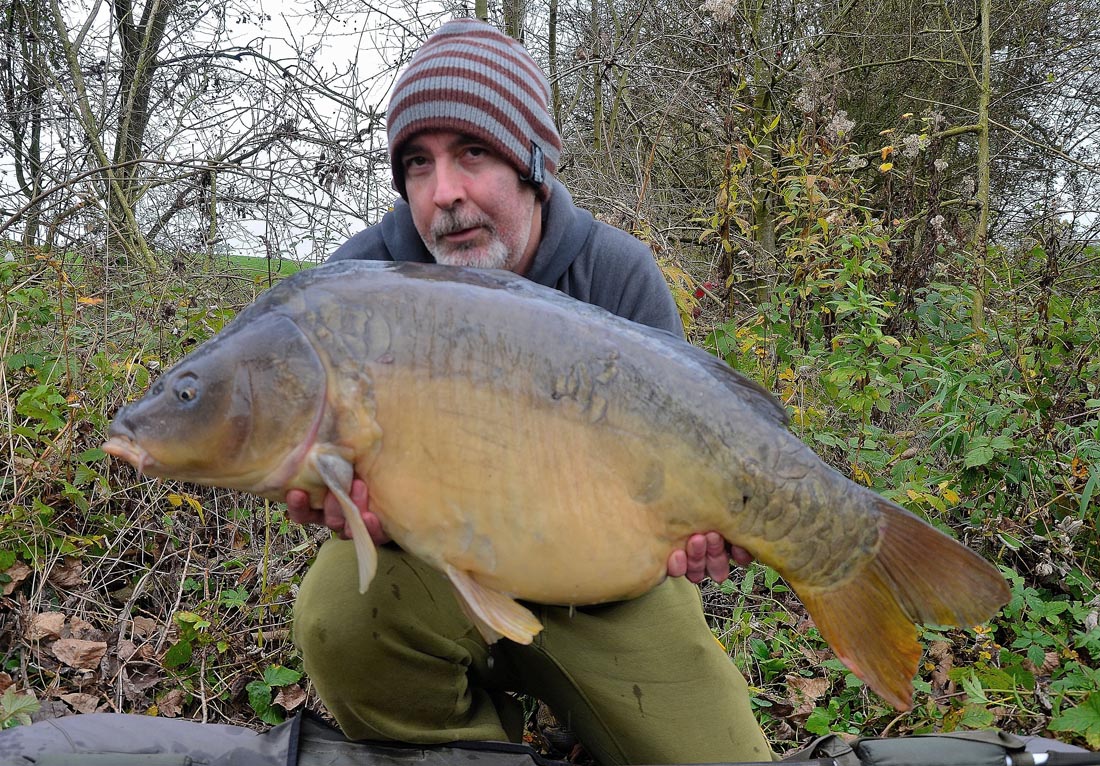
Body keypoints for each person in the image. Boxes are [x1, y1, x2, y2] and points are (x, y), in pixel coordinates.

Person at [285, 17, 772, 765]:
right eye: (417, 164)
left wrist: (712, 526)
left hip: (603, 587)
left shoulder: (616, 275)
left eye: (472, 153)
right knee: (338, 616)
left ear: (533, 163)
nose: (444, 195)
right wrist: (338, 496)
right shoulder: (362, 285)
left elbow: (692, 461)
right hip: (434, 568)